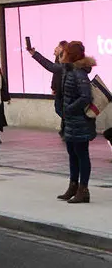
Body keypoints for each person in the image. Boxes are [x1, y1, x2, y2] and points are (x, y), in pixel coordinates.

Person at [29, 39, 97, 203]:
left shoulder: (79, 73)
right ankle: (73, 186)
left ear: (70, 54)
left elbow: (85, 97)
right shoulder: (68, 69)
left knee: (82, 154)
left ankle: (83, 190)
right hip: (70, 121)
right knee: (72, 154)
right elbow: (51, 67)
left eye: (65, 51)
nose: (62, 53)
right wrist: (34, 54)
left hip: (79, 122)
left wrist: (70, 108)